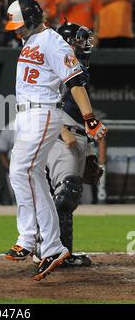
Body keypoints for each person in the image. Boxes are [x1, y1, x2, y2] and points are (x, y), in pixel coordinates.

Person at [4, 0, 107, 281]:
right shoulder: (31, 36)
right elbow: (14, 3)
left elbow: (76, 80)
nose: (15, 28)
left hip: (43, 111)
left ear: (32, 21)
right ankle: (52, 246)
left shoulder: (51, 40)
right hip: (28, 113)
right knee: (33, 177)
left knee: (20, 172)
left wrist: (90, 119)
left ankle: (28, 238)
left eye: (19, 23)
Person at [46, 21, 98, 267]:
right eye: (79, 39)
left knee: (70, 196)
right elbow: (43, 101)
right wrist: (61, 128)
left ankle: (62, 253)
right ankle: (48, 250)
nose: (85, 44)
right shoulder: (57, 64)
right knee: (65, 193)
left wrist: (88, 151)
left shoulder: (76, 65)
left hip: (77, 135)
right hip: (60, 133)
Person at [0, 120, 16, 204]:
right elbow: (1, 150)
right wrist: (8, 167)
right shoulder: (11, 126)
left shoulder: (35, 125)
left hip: (32, 167)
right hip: (13, 166)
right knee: (15, 196)